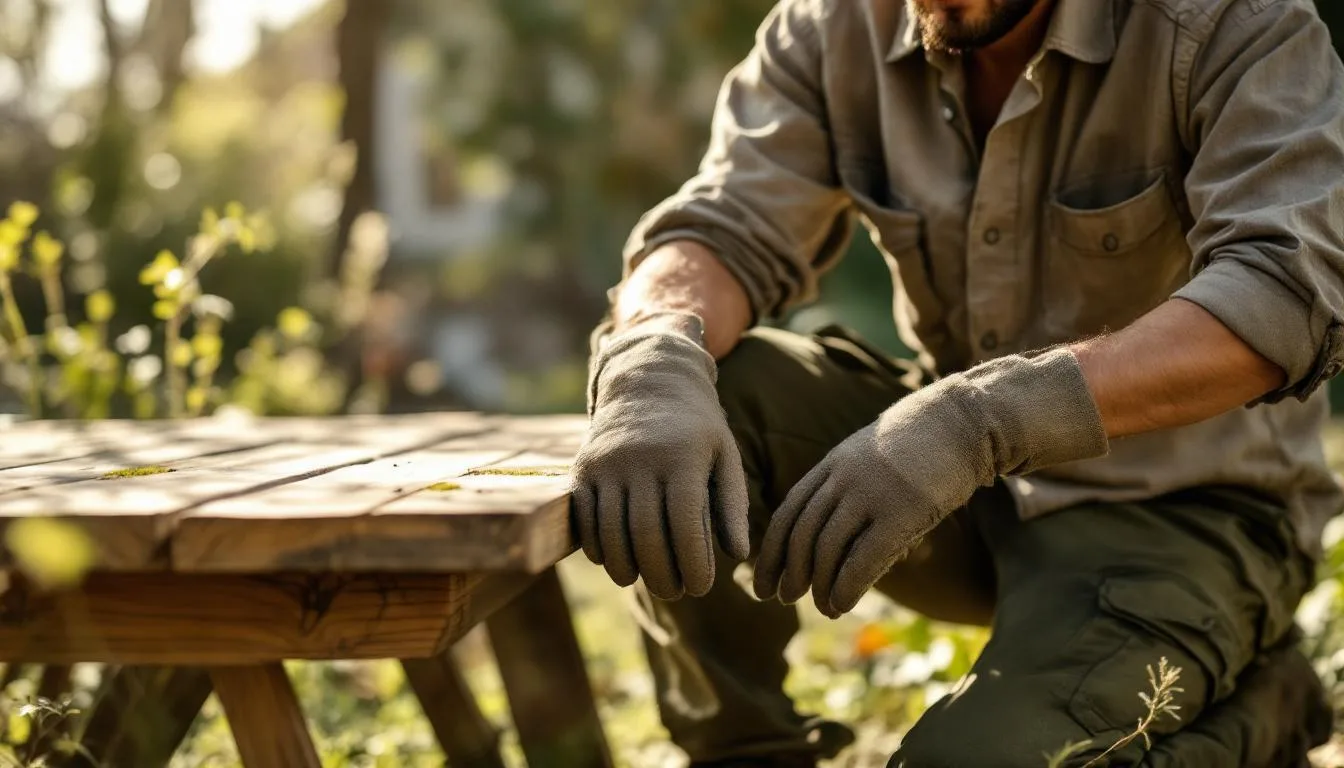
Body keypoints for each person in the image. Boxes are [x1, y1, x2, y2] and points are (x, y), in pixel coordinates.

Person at [569, 0, 1344, 764]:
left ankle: (1265, 715)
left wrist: (983, 423)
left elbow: (1280, 297)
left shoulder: (1235, 23)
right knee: (714, 382)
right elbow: (722, 226)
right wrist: (651, 357)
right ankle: (743, 756)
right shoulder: (832, 27)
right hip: (951, 496)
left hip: (1187, 517)